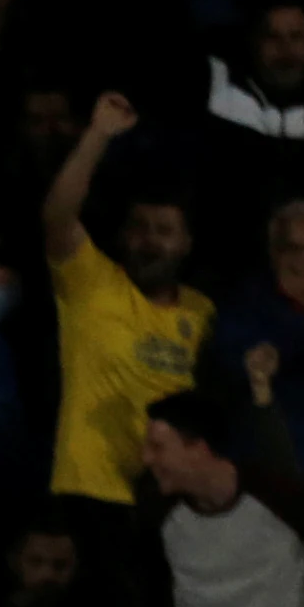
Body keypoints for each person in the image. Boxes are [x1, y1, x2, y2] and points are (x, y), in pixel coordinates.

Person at [43, 95, 210, 568]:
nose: (149, 240)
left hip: (171, 500)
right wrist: (97, 135)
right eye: (139, 228)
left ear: (186, 243)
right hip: (91, 493)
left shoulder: (204, 314)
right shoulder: (92, 283)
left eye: (164, 230)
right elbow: (58, 217)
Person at [126, 388, 304, 607]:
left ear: (198, 449)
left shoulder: (274, 494)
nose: (147, 458)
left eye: (158, 447)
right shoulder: (154, 502)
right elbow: (141, 572)